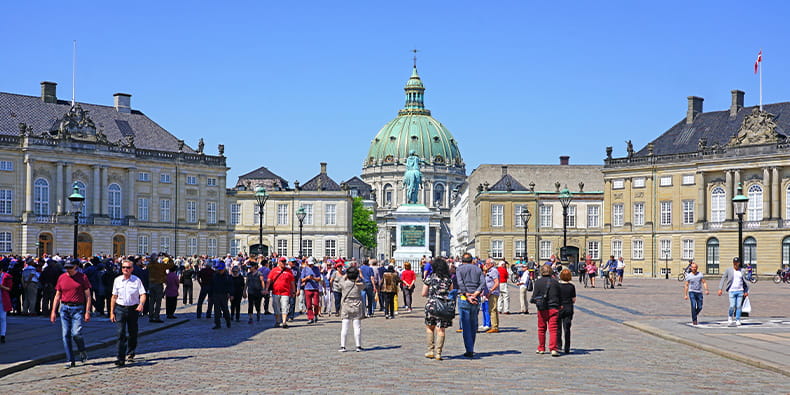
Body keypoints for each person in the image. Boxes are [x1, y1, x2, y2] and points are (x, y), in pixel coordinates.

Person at [51, 259, 92, 369]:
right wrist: (53, 311)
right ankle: (70, 359)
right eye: (66, 267)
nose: (68, 270)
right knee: (66, 335)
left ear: (76, 267)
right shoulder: (62, 277)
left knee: (76, 333)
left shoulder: (82, 277)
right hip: (64, 308)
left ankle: (82, 350)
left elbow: (88, 296)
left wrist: (88, 311)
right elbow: (57, 295)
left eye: (70, 267)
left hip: (77, 308)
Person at [109, 260, 147, 367]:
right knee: (120, 333)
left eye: (128, 268)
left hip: (133, 309)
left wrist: (141, 304)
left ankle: (131, 351)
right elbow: (114, 297)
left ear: (132, 269)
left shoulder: (136, 280)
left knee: (132, 332)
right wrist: (111, 312)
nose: (126, 269)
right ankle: (120, 358)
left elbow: (143, 294)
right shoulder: (117, 280)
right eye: (124, 267)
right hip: (120, 308)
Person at [455, 253, 486, 358]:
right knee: (473, 325)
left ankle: (469, 349)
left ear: (462, 260)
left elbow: (460, 282)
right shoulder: (478, 269)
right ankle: (471, 346)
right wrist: (476, 293)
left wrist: (467, 295)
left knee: (466, 325)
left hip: (464, 298)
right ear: (472, 260)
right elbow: (483, 283)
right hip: (476, 299)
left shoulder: (460, 269)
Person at [422, 257, 453, 360]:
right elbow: (451, 291)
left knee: (430, 327)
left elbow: (423, 293)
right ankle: (438, 353)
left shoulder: (430, 278)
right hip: (444, 305)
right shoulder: (448, 279)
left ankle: (430, 350)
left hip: (432, 304)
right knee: (441, 330)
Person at [533, 264, 561, 356]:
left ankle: (541, 348)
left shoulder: (538, 282)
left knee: (541, 329)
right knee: (553, 329)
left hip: (542, 308)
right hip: (553, 308)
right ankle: (553, 349)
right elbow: (559, 296)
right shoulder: (555, 282)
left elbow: (534, 296)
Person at [339, 266, 365, 352]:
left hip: (346, 305)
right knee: (357, 327)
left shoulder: (345, 284)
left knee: (344, 327)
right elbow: (365, 283)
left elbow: (340, 281)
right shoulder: (359, 285)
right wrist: (360, 276)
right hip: (357, 305)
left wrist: (346, 275)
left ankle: (343, 346)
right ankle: (358, 345)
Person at [717, 257, 749, 326]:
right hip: (732, 290)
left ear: (739, 263)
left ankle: (737, 319)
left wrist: (746, 291)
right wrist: (720, 288)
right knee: (732, 305)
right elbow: (723, 278)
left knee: (738, 306)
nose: (735, 264)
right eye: (734, 263)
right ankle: (730, 316)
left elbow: (745, 281)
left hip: (740, 291)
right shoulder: (729, 270)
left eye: (736, 263)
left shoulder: (742, 271)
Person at [268, 257, 295, 328]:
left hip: (285, 292)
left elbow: (292, 282)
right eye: (282, 261)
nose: (283, 263)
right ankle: (277, 321)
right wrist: (266, 289)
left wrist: (293, 291)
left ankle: (284, 322)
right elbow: (269, 280)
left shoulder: (289, 271)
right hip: (275, 292)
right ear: (279, 262)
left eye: (284, 261)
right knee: (276, 307)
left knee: (285, 306)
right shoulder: (274, 270)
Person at [147, 255, 174, 323]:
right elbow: (171, 265)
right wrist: (168, 257)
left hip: (151, 284)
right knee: (158, 302)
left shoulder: (149, 266)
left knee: (151, 301)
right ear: (156, 259)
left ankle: (150, 316)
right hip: (158, 284)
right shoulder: (160, 265)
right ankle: (156, 317)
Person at [556, 269, 576, 354]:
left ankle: (559, 345)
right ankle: (567, 347)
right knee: (567, 328)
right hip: (568, 308)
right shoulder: (571, 286)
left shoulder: (557, 286)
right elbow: (574, 299)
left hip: (559, 308)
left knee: (558, 328)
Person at [211, 261, 233, 329]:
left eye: (221, 269)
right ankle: (217, 324)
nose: (220, 271)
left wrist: (231, 294)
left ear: (224, 269)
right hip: (216, 294)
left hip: (224, 295)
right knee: (216, 310)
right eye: (219, 269)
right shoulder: (214, 275)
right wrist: (210, 295)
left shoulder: (227, 276)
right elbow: (211, 286)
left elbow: (231, 286)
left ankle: (228, 322)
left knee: (225, 309)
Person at [300, 258, 321, 324]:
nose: (311, 265)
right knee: (308, 304)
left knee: (316, 304)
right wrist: (307, 278)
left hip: (315, 288)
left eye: (312, 264)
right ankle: (310, 317)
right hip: (307, 288)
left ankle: (316, 314)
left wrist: (313, 278)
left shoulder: (316, 269)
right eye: (310, 264)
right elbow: (301, 279)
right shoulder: (305, 269)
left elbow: (319, 278)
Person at [484, 259, 500, 333]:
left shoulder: (494, 271)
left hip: (493, 293)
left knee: (492, 309)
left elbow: (496, 283)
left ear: (492, 264)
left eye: (487, 263)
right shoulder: (489, 271)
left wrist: (490, 291)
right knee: (492, 309)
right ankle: (494, 325)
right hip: (490, 292)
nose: (486, 265)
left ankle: (494, 327)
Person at [0, 263, 12, 344]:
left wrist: (1, 286)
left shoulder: (7, 276)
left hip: (3, 300)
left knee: (2, 318)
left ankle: (2, 335)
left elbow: (9, 288)